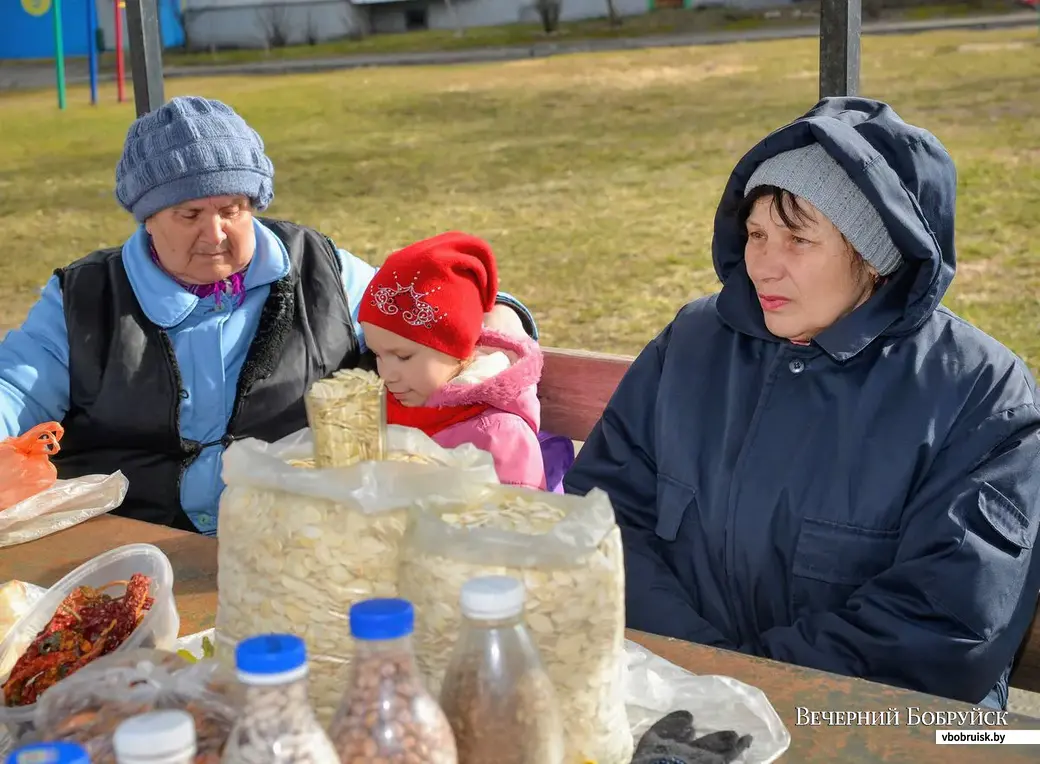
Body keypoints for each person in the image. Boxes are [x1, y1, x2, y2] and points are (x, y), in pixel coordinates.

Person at [564, 96, 1040, 710]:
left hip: (868, 732)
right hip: (672, 698)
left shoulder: (979, 392)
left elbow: (947, 620)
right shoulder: (694, 342)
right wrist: (695, 673)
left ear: (875, 256)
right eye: (757, 234)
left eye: (798, 239)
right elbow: (603, 514)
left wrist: (750, 690)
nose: (763, 265)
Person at [0, 95, 537, 536]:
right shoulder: (87, 294)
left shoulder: (316, 268)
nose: (215, 235)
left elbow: (421, 306)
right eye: (189, 214)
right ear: (147, 218)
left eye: (232, 210)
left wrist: (499, 319)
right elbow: (16, 390)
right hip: (131, 536)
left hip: (292, 539)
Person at [358, 231, 546, 489]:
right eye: (377, 355)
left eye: (403, 356)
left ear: (458, 347)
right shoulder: (393, 408)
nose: (387, 374)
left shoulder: (498, 434)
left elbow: (516, 521)